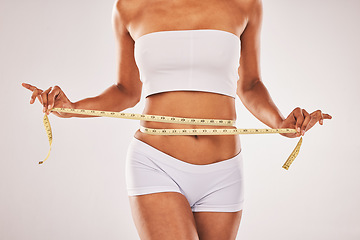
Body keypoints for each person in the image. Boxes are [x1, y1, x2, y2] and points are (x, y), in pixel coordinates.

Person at [22, 0, 332, 239]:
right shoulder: (129, 7)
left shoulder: (244, 4)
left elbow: (249, 84)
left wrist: (279, 122)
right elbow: (126, 90)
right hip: (156, 163)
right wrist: (74, 106)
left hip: (224, 171)